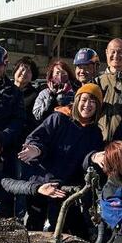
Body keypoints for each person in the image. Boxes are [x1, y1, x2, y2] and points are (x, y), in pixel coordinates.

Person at [13, 84, 107, 230]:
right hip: (42, 182)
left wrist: (94, 157)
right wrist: (36, 149)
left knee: (62, 229)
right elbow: (37, 138)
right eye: (84, 100)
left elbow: (87, 159)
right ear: (77, 101)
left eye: (93, 102)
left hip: (66, 188)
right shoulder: (58, 118)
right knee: (34, 226)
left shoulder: (95, 132)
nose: (87, 105)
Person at [33, 59, 77, 123]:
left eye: (63, 73)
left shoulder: (74, 93)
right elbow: (38, 115)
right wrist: (51, 97)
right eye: (57, 73)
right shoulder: (44, 93)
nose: (60, 76)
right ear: (51, 76)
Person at [12, 56, 40, 135]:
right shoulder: (4, 89)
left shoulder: (35, 95)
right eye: (22, 69)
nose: (24, 73)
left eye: (28, 71)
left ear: (32, 77)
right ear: (15, 71)